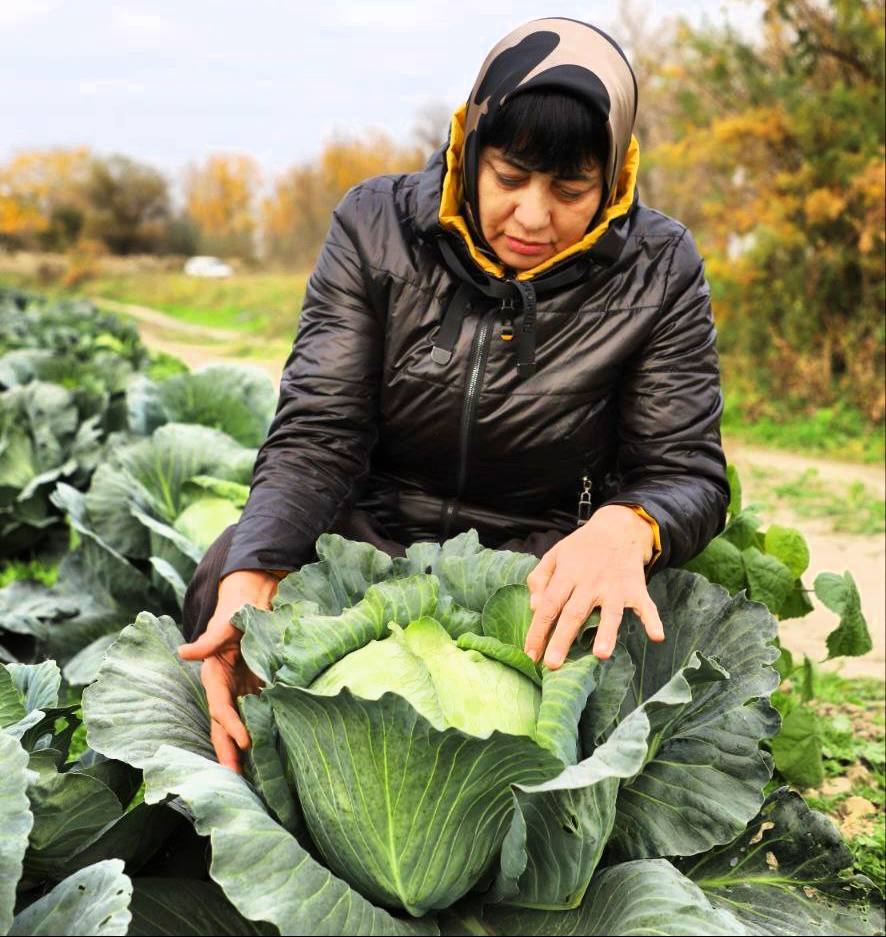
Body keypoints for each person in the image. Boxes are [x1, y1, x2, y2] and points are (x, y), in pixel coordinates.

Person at [179, 17, 730, 772]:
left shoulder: (660, 267)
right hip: (364, 544)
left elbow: (686, 469)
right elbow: (318, 431)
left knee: (639, 636)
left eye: (571, 189)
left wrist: (629, 525)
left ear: (616, 179)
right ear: (468, 148)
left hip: (536, 565)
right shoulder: (376, 226)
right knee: (229, 576)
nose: (533, 217)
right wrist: (260, 564)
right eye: (509, 177)